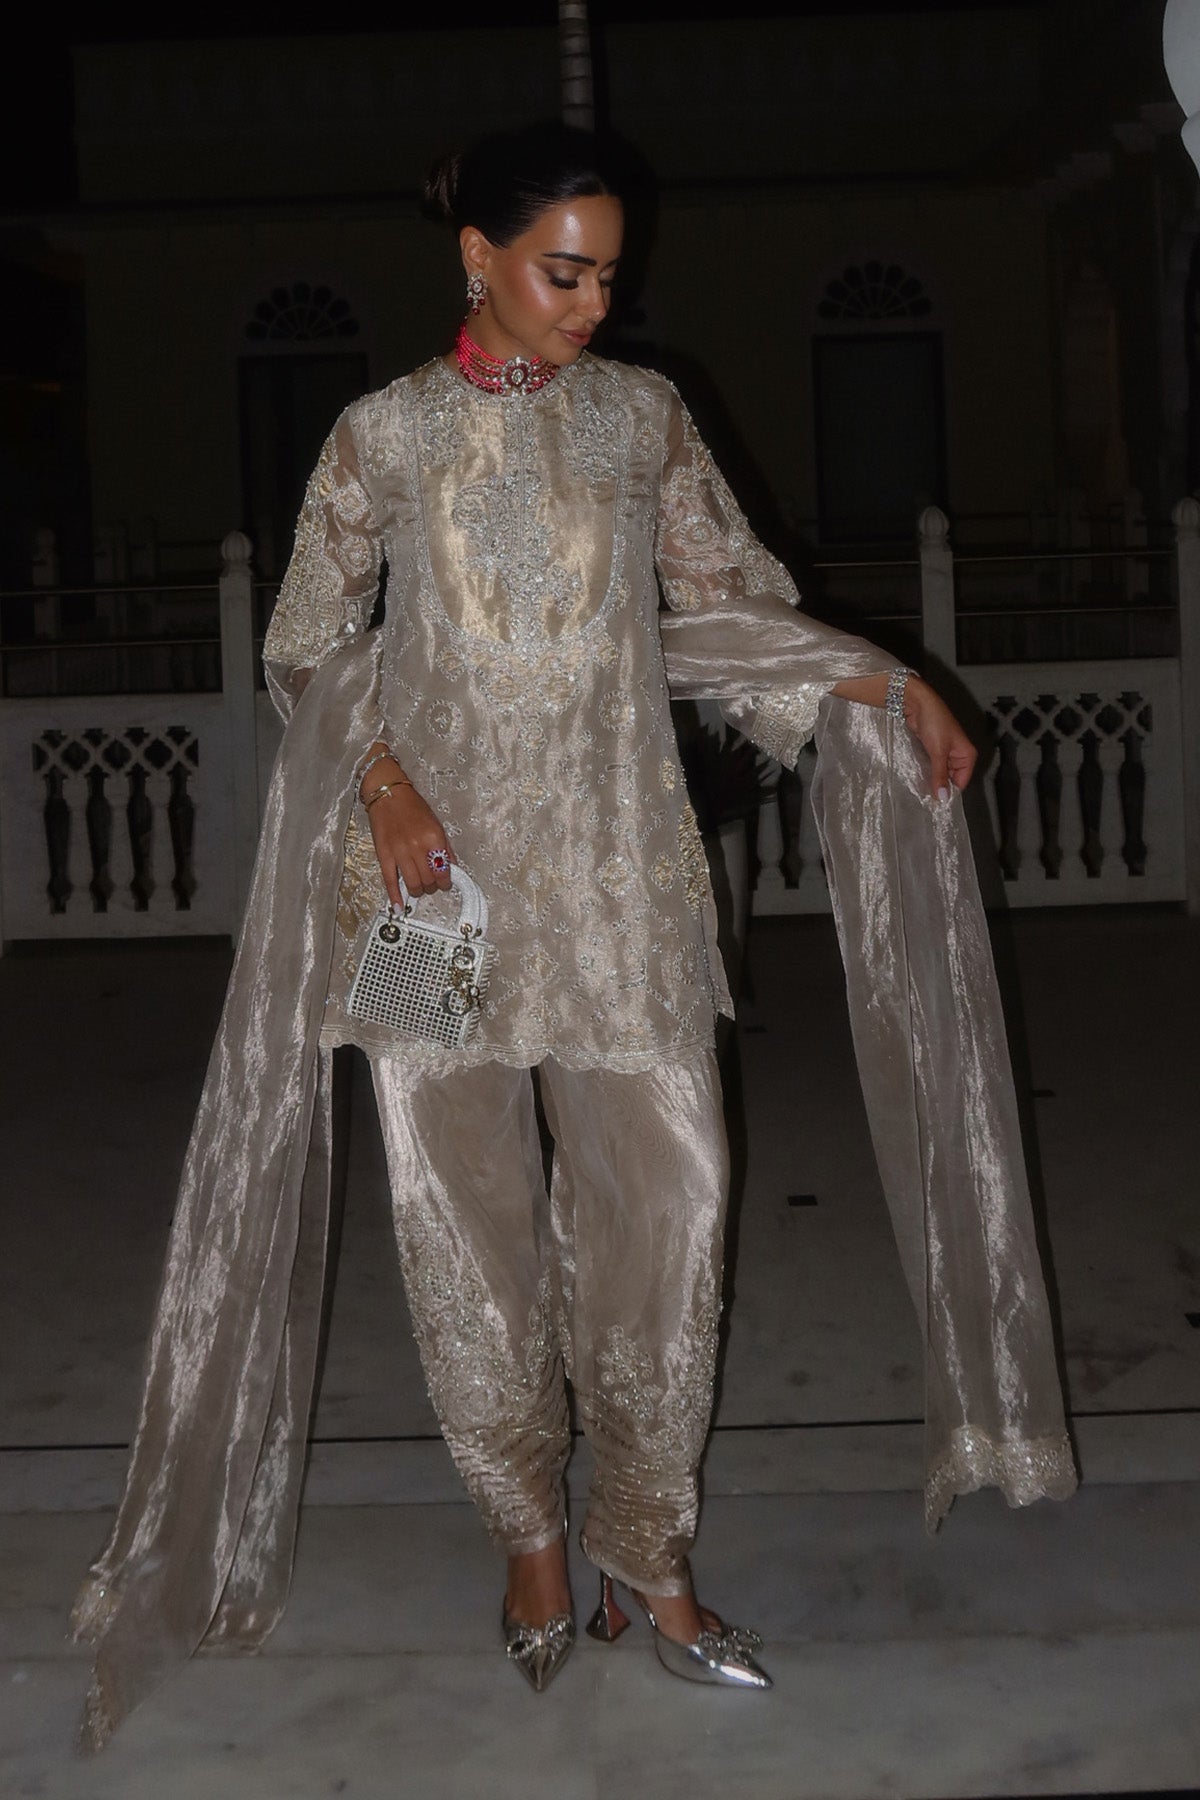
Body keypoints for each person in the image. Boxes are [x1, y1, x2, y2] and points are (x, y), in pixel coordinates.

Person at [71, 122, 1076, 1749]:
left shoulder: (642, 419)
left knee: (673, 1209)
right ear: (478, 257)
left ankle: (646, 1553)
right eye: (565, 272)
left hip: (623, 883)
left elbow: (728, 604)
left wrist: (889, 683)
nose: (596, 303)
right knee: (462, 1227)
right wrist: (382, 785)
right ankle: (532, 1542)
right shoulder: (383, 436)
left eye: (610, 274)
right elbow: (305, 642)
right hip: (429, 899)